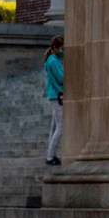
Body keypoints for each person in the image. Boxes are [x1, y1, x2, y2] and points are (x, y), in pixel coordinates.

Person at [43, 36, 64, 166]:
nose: (63, 51)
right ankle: (50, 156)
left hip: (54, 95)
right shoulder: (53, 61)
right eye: (62, 48)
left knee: (55, 126)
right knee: (61, 127)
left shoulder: (52, 60)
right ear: (56, 48)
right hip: (57, 96)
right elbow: (61, 78)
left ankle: (51, 155)